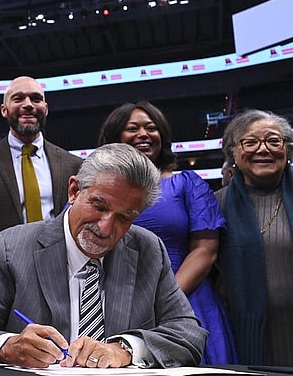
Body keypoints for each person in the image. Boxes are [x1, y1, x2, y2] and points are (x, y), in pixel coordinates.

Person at [0, 143, 206, 369]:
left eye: (124, 217)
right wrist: (9, 346)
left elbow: (189, 333)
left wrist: (125, 350)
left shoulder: (149, 249)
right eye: (99, 206)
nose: (105, 227)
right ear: (73, 191)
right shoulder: (13, 247)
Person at [97, 101, 237, 364]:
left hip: (188, 302)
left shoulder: (187, 184)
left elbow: (205, 250)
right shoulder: (97, 189)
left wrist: (165, 301)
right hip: (116, 302)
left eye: (151, 128)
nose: (144, 134)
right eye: (133, 128)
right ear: (116, 137)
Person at [0, 76, 82, 277]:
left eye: (36, 99)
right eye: (18, 98)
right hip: (2, 277)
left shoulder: (73, 164)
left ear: (46, 108)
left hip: (61, 274)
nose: (28, 105)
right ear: (4, 110)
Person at [215, 109, 293, 365]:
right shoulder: (215, 206)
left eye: (273, 140)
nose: (263, 149)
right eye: (250, 142)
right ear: (234, 154)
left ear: (286, 150)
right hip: (243, 339)